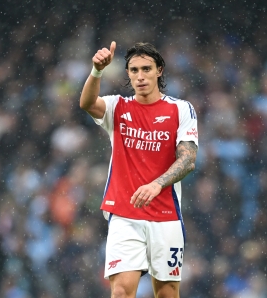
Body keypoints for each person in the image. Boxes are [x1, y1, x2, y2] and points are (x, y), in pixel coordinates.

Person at [79, 41, 198, 298]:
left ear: (159, 70)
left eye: (146, 69)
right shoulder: (117, 107)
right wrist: (97, 71)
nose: (140, 76)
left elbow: (188, 160)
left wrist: (157, 184)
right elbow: (87, 103)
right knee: (121, 291)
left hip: (166, 216)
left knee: (166, 293)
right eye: (134, 70)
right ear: (128, 74)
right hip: (125, 213)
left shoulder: (180, 109)